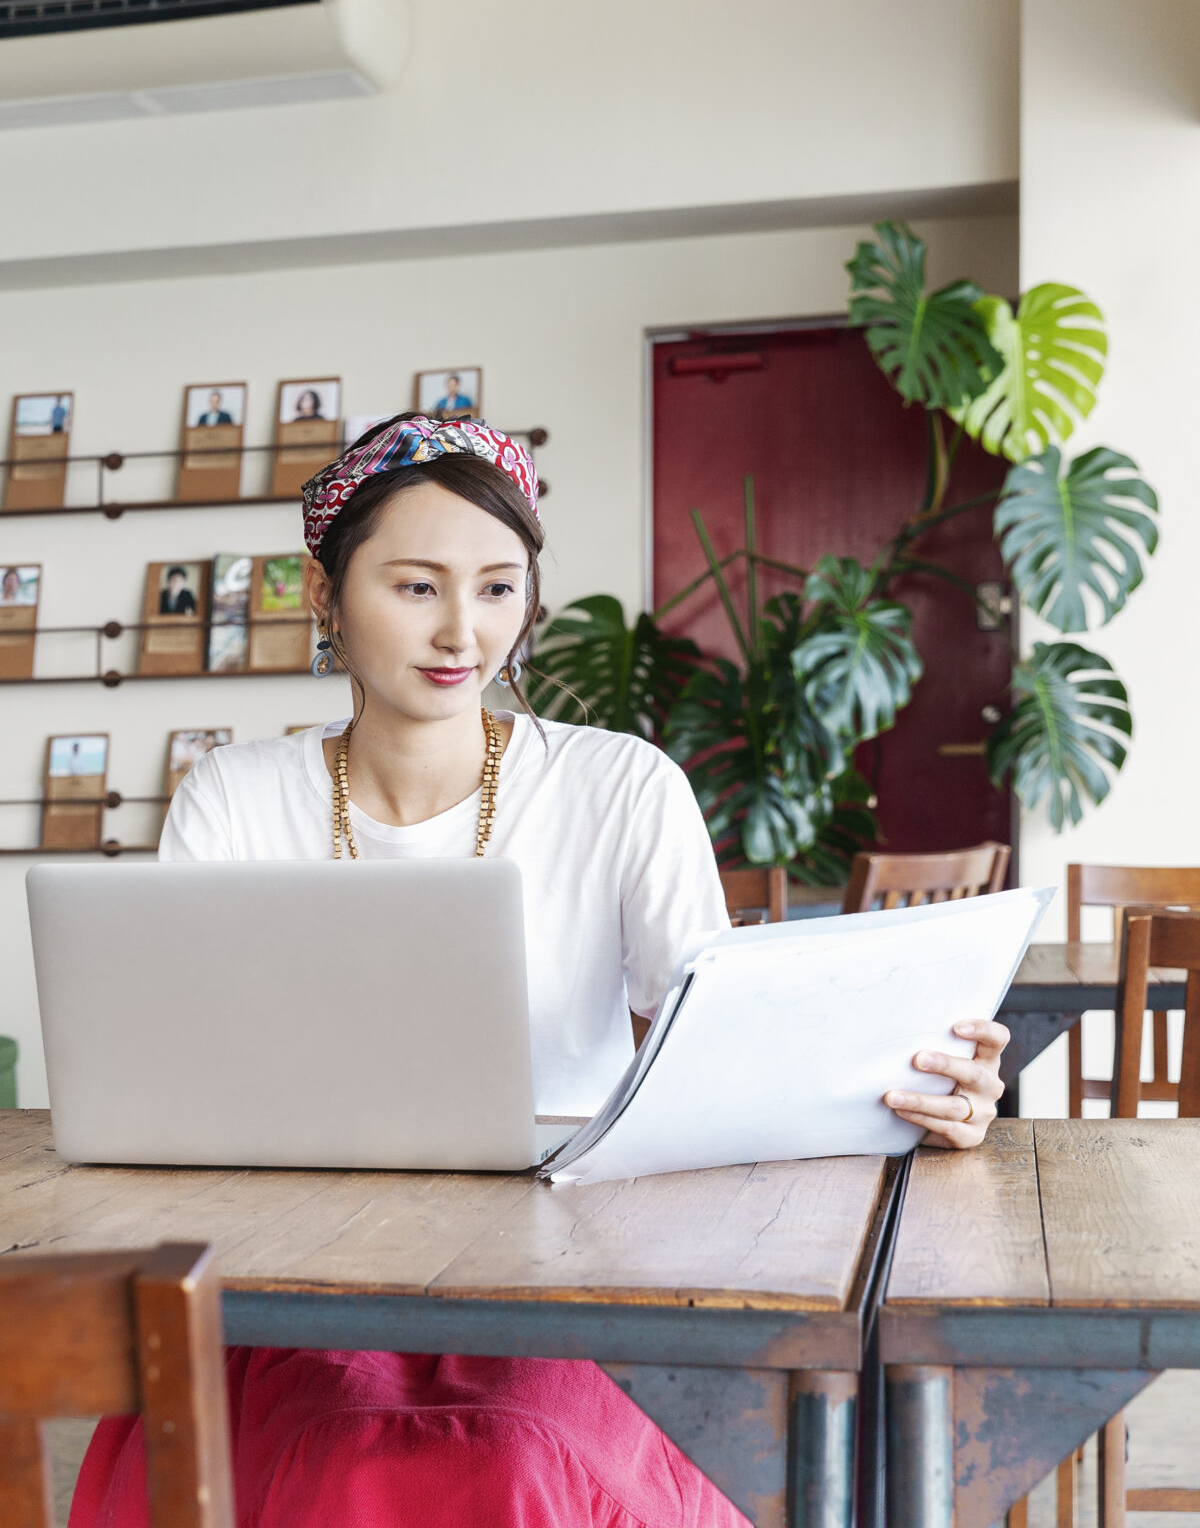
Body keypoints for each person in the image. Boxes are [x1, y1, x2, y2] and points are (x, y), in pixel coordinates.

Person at [69, 415, 1010, 1528]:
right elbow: (178, 1069)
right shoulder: (235, 795)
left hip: (567, 1280)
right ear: (324, 596)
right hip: (298, 1281)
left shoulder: (618, 785)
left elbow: (718, 1054)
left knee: (513, 1466)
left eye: (497, 587)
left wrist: (915, 1084)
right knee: (324, 1463)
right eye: (415, 586)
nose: (461, 630)